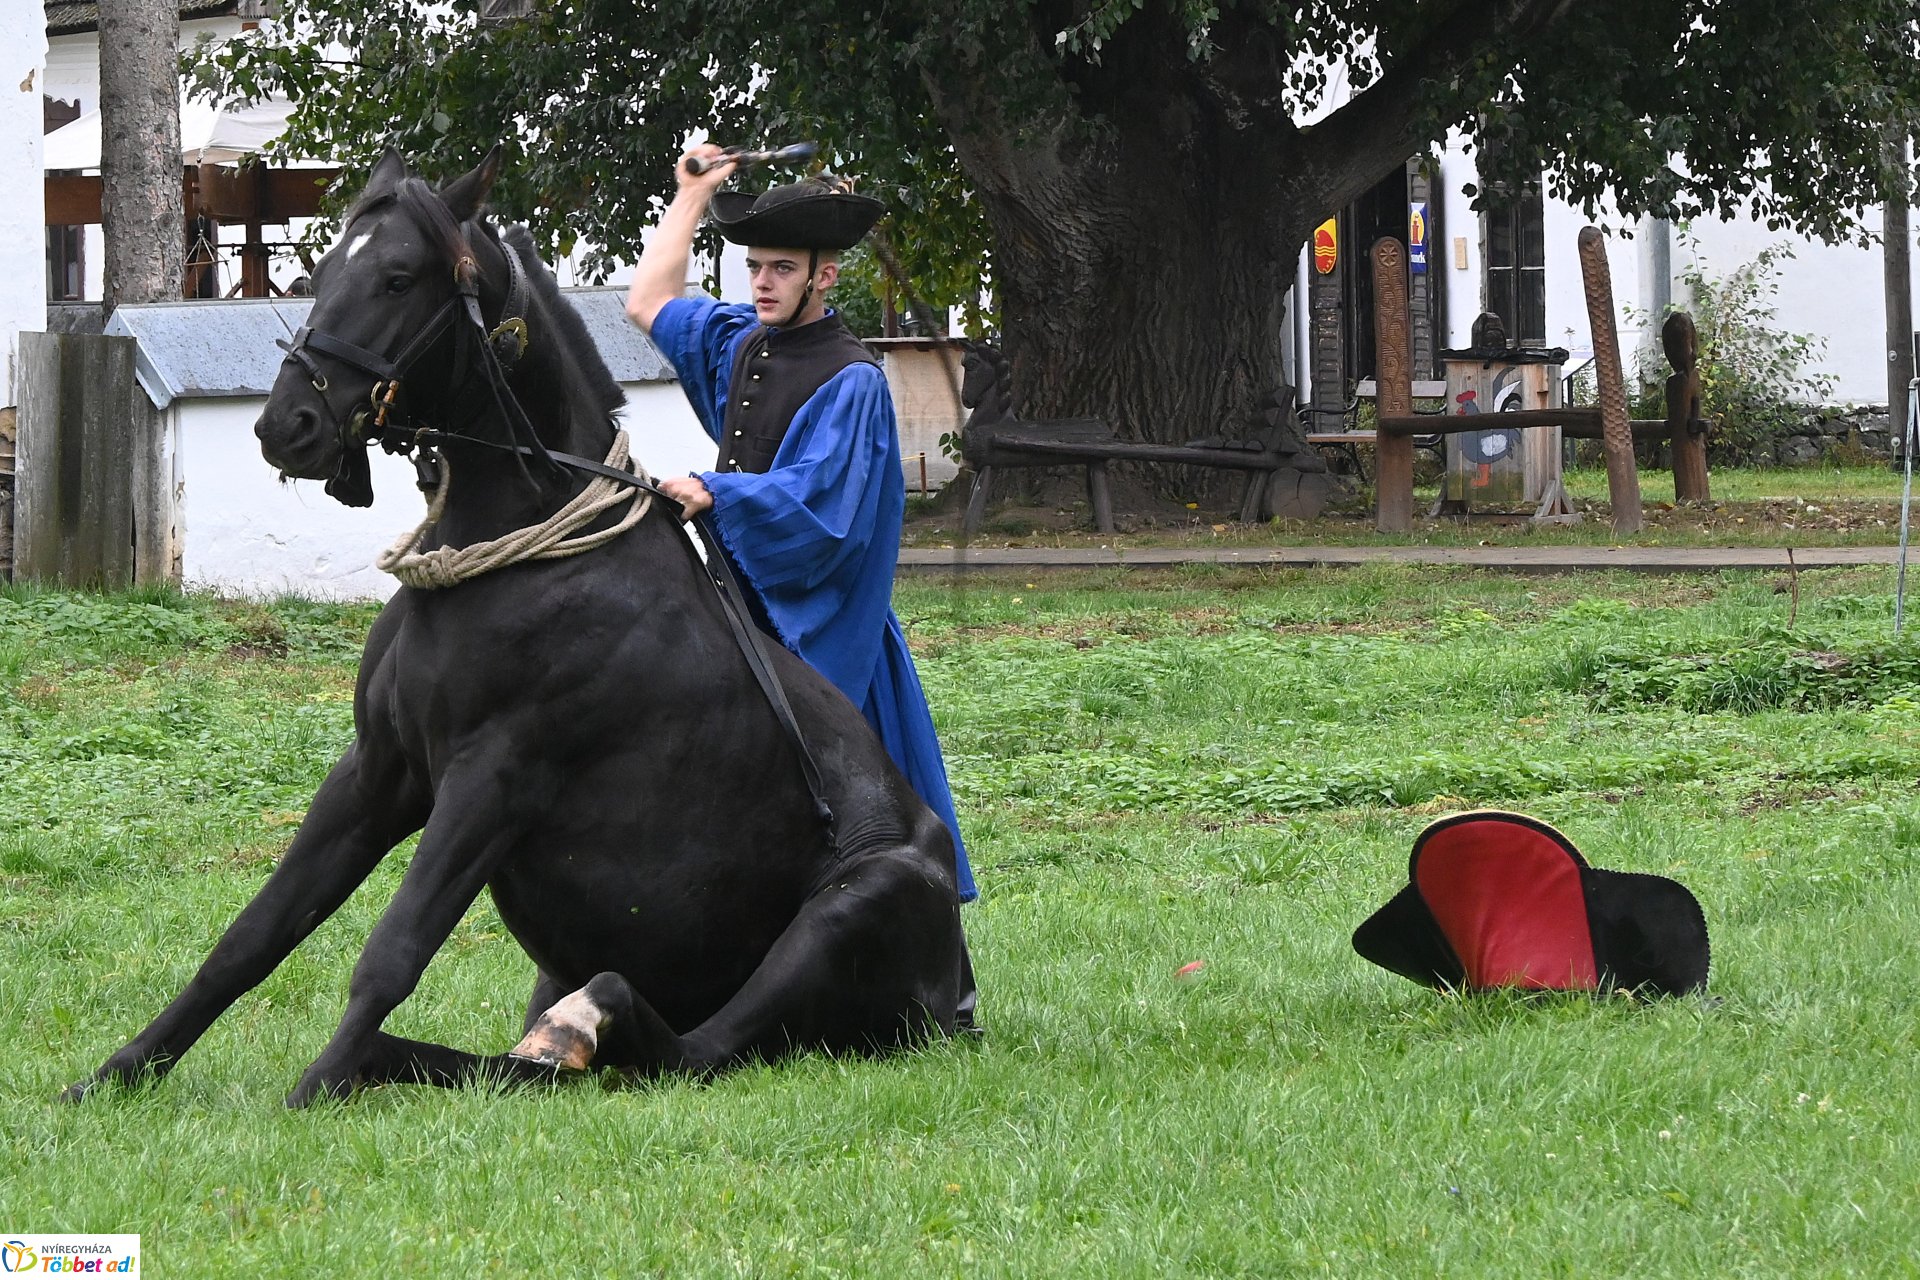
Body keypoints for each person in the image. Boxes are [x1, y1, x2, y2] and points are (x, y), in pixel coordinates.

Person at [625, 143, 980, 933]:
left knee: (855, 814)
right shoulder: (739, 342)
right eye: (754, 267)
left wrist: (715, 489)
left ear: (826, 275)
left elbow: (820, 509)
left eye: (781, 269)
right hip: (739, 606)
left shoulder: (851, 379)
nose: (761, 283)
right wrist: (689, 195)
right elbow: (648, 300)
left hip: (821, 625)